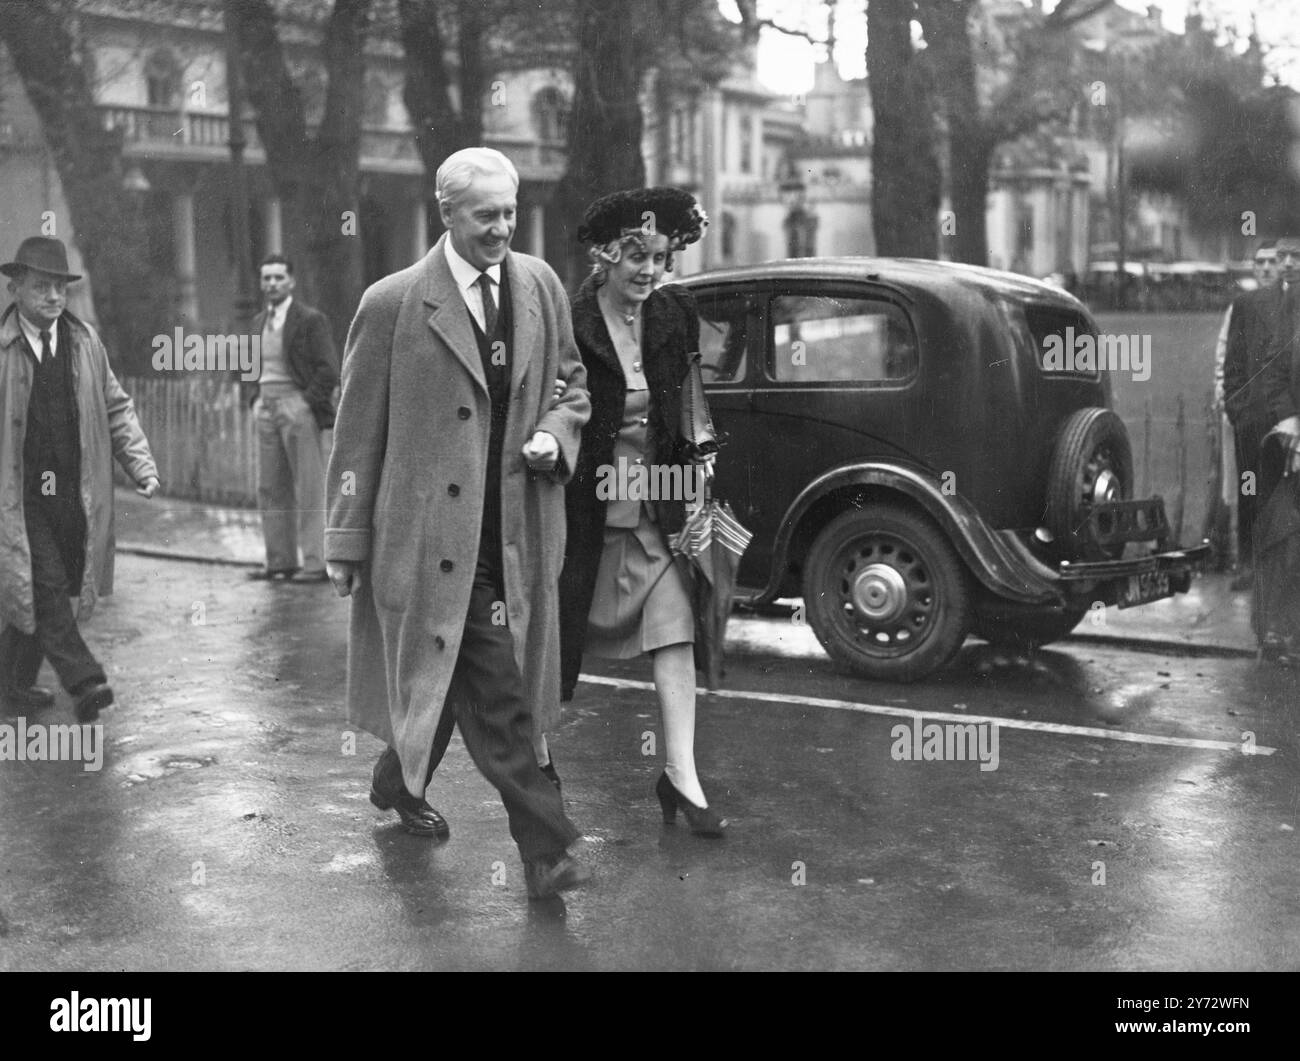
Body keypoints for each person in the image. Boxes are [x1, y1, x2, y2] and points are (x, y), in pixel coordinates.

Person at [324, 147, 593, 900]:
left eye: (510, 212)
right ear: (447, 214)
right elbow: (355, 433)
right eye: (486, 216)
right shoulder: (392, 303)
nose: (503, 228)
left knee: (444, 682)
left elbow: (572, 384)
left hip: (516, 531)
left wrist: (557, 432)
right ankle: (547, 850)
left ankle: (393, 779)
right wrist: (345, 539)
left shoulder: (539, 285)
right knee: (500, 690)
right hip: (430, 542)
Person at [557, 187, 726, 838]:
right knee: (553, 646)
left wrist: (700, 479)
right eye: (636, 258)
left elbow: (688, 401)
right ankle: (533, 774)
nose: (649, 271)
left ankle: (682, 774)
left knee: (675, 631)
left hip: (655, 505)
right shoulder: (573, 318)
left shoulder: (672, 311)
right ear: (607, 256)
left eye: (659, 257)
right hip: (584, 514)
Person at [0, 236, 159, 720]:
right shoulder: (2, 348)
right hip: (19, 494)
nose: (52, 297)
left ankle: (9, 682)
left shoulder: (83, 342)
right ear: (16, 288)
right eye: (41, 286)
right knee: (43, 581)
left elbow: (115, 406)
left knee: (42, 586)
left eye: (59, 288)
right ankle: (85, 681)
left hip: (74, 491)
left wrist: (141, 464)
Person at [245, 253, 339, 583]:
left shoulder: (310, 320)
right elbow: (248, 367)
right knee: (270, 486)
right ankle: (279, 562)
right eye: (266, 278)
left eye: (278, 278)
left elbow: (329, 369)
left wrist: (304, 402)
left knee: (310, 486)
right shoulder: (258, 323)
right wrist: (255, 400)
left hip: (297, 408)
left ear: (291, 281)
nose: (272, 284)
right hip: (266, 410)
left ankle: (315, 564)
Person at [1218, 241, 1279, 589]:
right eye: (1261, 262)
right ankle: (1248, 565)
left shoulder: (1293, 304)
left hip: (1285, 420)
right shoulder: (1243, 306)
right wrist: (1238, 411)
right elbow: (1232, 363)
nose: (1268, 268)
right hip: (1251, 423)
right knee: (1250, 492)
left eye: (1274, 262)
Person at [1253, 236, 1300, 664]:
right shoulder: (1291, 307)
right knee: (1286, 534)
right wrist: (1291, 424)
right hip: (1297, 444)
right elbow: (1274, 371)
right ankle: (1281, 631)